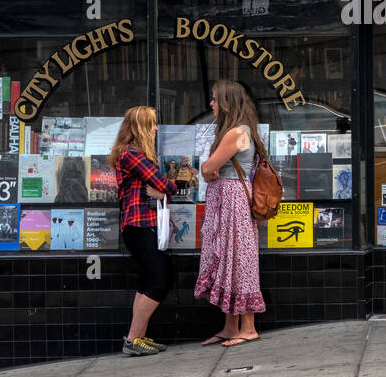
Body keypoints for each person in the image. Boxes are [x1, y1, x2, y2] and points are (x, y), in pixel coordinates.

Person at [194, 79, 267, 346]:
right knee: (229, 259)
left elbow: (208, 168)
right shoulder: (237, 131)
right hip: (227, 199)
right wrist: (210, 169)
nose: (211, 104)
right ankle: (229, 325)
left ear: (226, 103)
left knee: (238, 260)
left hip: (232, 199)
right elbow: (210, 169)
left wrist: (209, 168)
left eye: (214, 99)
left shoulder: (235, 133)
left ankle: (248, 328)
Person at [109, 105, 179, 357]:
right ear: (140, 127)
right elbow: (165, 184)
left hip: (141, 225)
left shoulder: (133, 153)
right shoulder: (131, 154)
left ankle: (136, 337)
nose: (156, 128)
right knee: (161, 280)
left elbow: (159, 186)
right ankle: (133, 339)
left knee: (147, 281)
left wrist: (160, 188)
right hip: (140, 224)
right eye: (152, 124)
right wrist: (166, 186)